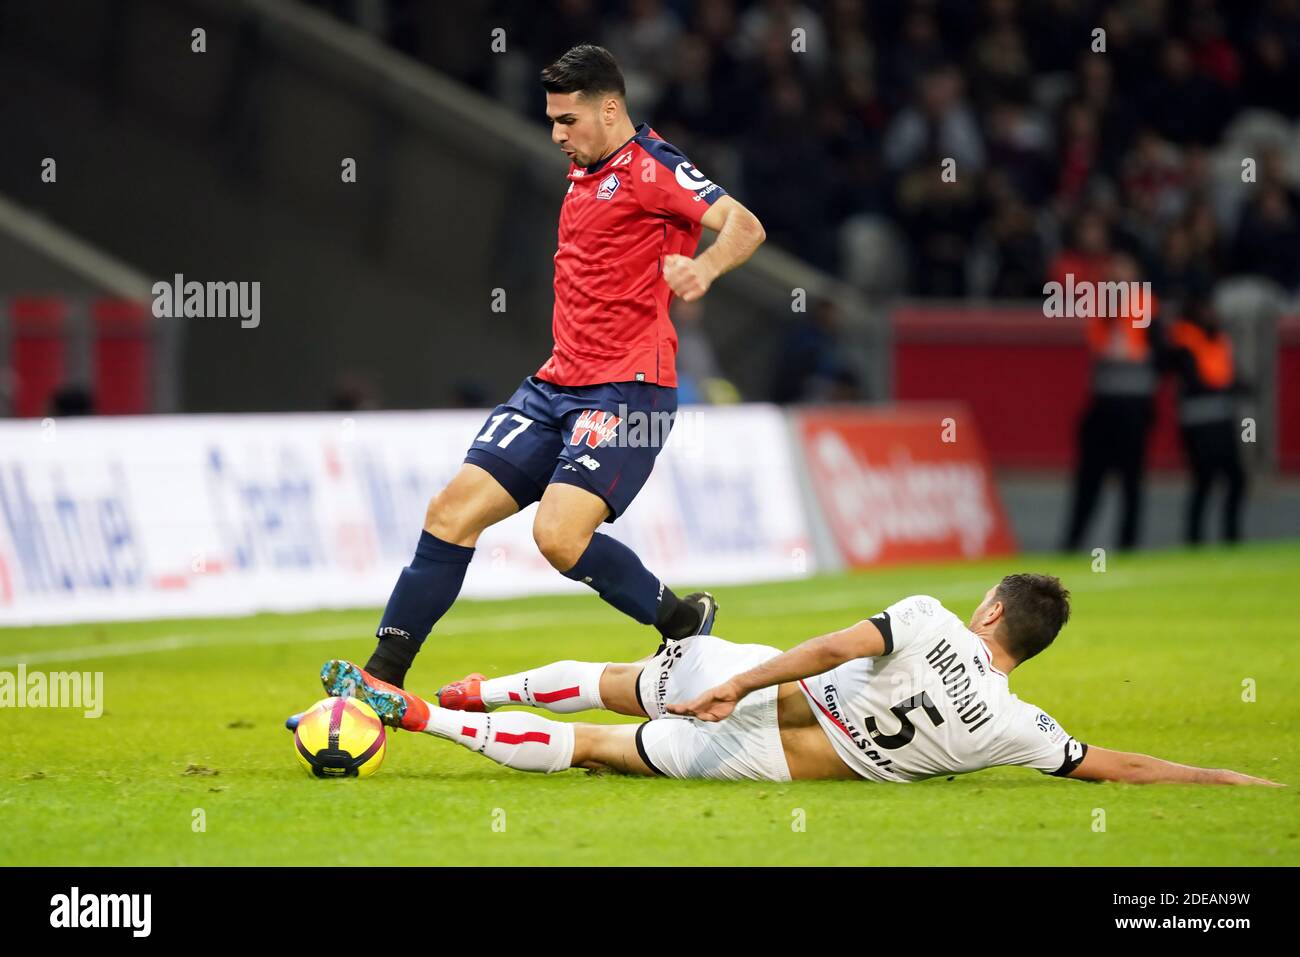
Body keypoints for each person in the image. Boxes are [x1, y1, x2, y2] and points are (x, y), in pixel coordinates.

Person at [296, 44, 766, 716]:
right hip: (554, 386)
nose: (556, 134)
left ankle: (682, 623)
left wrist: (706, 269)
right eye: (551, 119)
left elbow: (745, 224)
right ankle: (384, 676)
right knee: (450, 512)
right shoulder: (586, 167)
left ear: (610, 109)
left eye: (567, 119)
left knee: (558, 537)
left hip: (627, 390)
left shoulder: (655, 168)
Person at [313, 574, 1281, 787]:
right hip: (786, 764)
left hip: (774, 689)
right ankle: (433, 716)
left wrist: (737, 681)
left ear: (990, 612)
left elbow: (826, 649)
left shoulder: (930, 618)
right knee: (606, 752)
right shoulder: (1019, 727)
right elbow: (1119, 765)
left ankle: (473, 691)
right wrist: (1238, 783)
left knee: (618, 680)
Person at [1167, 298, 1247, 544]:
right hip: (1198, 423)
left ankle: (1230, 537)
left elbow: (1224, 374)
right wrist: (1228, 387)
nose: (1211, 314)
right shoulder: (1185, 340)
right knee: (1204, 481)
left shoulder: (1218, 339)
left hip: (1222, 421)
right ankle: (1195, 539)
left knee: (1236, 479)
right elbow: (1195, 381)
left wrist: (1238, 386)